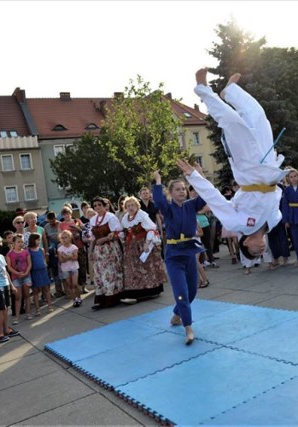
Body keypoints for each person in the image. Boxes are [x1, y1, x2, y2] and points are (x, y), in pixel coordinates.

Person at [183, 68, 287, 261]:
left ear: (245, 242)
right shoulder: (274, 221)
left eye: (256, 251)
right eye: (262, 252)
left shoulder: (238, 224)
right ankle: (230, 91)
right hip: (267, 168)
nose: (262, 248)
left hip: (248, 170)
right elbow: (275, 196)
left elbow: (215, 199)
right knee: (259, 116)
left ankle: (202, 89)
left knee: (232, 122)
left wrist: (194, 177)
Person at [153, 169, 206, 345]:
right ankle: (188, 328)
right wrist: (158, 181)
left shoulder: (191, 205)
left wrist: (199, 177)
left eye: (183, 188)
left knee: (192, 292)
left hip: (190, 252)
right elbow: (159, 200)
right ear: (171, 192)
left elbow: (206, 194)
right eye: (177, 189)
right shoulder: (167, 208)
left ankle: (177, 315)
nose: (182, 191)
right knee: (181, 293)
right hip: (174, 255)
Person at [119, 196, 166, 300]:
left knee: (147, 267)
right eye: (128, 205)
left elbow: (151, 228)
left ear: (137, 206)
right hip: (132, 245)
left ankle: (152, 290)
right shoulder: (125, 217)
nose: (130, 207)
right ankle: (136, 292)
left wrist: (146, 243)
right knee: (134, 268)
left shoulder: (142, 215)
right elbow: (124, 231)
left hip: (144, 243)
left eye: (132, 205)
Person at [88, 197, 124, 311]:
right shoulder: (93, 220)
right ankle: (102, 298)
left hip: (110, 248)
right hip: (99, 250)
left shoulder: (110, 217)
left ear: (104, 206)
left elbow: (118, 232)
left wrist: (105, 239)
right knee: (99, 273)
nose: (97, 207)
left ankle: (113, 297)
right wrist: (91, 251)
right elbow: (93, 237)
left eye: (99, 205)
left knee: (110, 272)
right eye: (95, 206)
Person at [59, 206, 88, 294]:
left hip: (79, 246)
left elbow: (84, 230)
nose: (66, 215)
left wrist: (76, 229)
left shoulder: (77, 221)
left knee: (82, 267)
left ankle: (83, 286)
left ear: (71, 213)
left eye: (68, 213)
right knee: (72, 268)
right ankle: (76, 288)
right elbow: (60, 237)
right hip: (68, 248)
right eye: (64, 214)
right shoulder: (61, 225)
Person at [6, 233, 32, 322]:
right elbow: (9, 267)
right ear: (13, 243)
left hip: (26, 276)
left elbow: (29, 264)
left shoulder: (26, 252)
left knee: (27, 295)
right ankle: (16, 316)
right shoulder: (10, 254)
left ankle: (28, 313)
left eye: (22, 242)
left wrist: (26, 272)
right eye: (18, 242)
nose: (20, 243)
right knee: (18, 297)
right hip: (16, 278)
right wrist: (17, 273)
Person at [27, 233, 53, 314]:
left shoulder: (41, 249)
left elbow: (44, 259)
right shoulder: (28, 251)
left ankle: (50, 305)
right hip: (34, 272)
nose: (39, 241)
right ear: (32, 240)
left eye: (39, 240)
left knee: (46, 289)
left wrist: (45, 264)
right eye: (37, 240)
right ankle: (37, 309)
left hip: (43, 271)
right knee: (35, 291)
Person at [57, 230, 81, 307]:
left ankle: (79, 297)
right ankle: (74, 299)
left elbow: (75, 258)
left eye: (65, 237)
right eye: (62, 238)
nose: (64, 239)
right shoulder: (60, 249)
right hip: (65, 268)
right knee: (69, 285)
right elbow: (61, 260)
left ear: (70, 238)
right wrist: (70, 256)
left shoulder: (74, 247)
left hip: (73, 267)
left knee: (74, 284)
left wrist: (66, 257)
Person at [44, 211, 63, 298]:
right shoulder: (46, 227)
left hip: (60, 246)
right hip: (52, 250)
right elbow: (46, 240)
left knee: (62, 269)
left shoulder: (60, 224)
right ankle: (58, 290)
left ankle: (64, 289)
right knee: (55, 270)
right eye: (50, 221)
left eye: (53, 220)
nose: (52, 222)